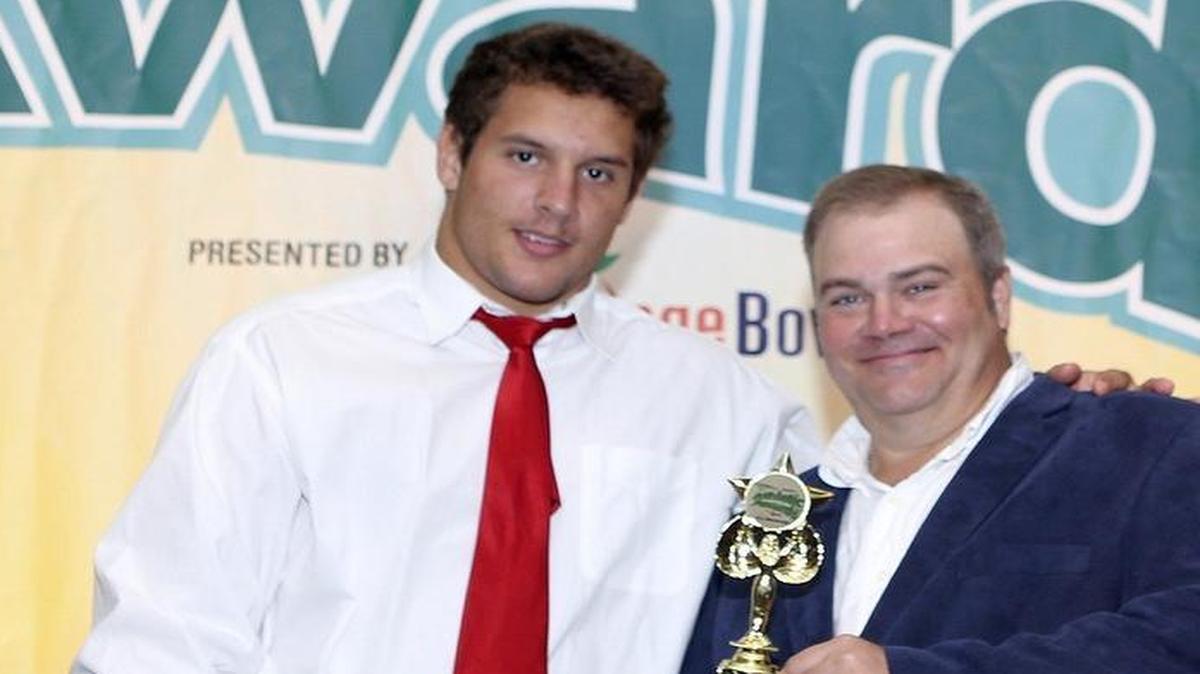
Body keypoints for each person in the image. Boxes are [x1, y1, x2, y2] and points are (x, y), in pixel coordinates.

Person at [72, 24, 1160, 674]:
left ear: (634, 200)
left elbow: (897, 499)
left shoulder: (726, 403)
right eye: (526, 155)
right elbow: (163, 639)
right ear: (453, 154)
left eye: (600, 173)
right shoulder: (279, 361)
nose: (557, 202)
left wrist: (1061, 418)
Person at [680, 166, 1200, 674]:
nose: (884, 323)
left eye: (920, 287)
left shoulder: (1149, 444)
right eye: (848, 298)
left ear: (998, 297)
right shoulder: (776, 517)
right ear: (817, 325)